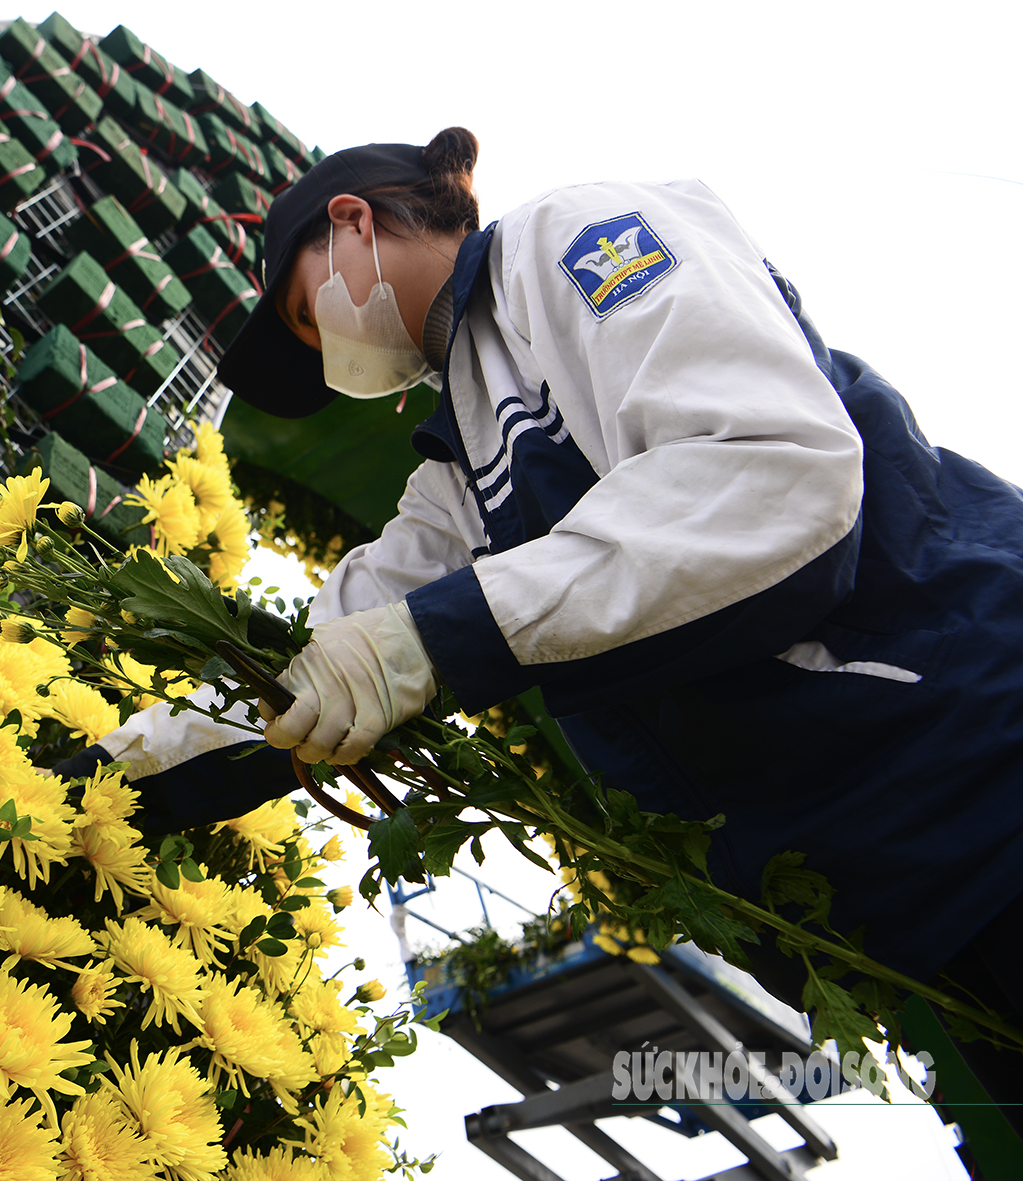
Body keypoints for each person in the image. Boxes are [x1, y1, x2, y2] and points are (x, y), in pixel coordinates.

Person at [56, 128, 1023, 1112]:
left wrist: (437, 637)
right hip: (916, 893)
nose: (324, 349)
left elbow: (770, 475)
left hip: (984, 753)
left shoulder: (567, 245)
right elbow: (328, 654)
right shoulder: (457, 475)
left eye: (309, 315)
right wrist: (97, 786)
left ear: (350, 220)